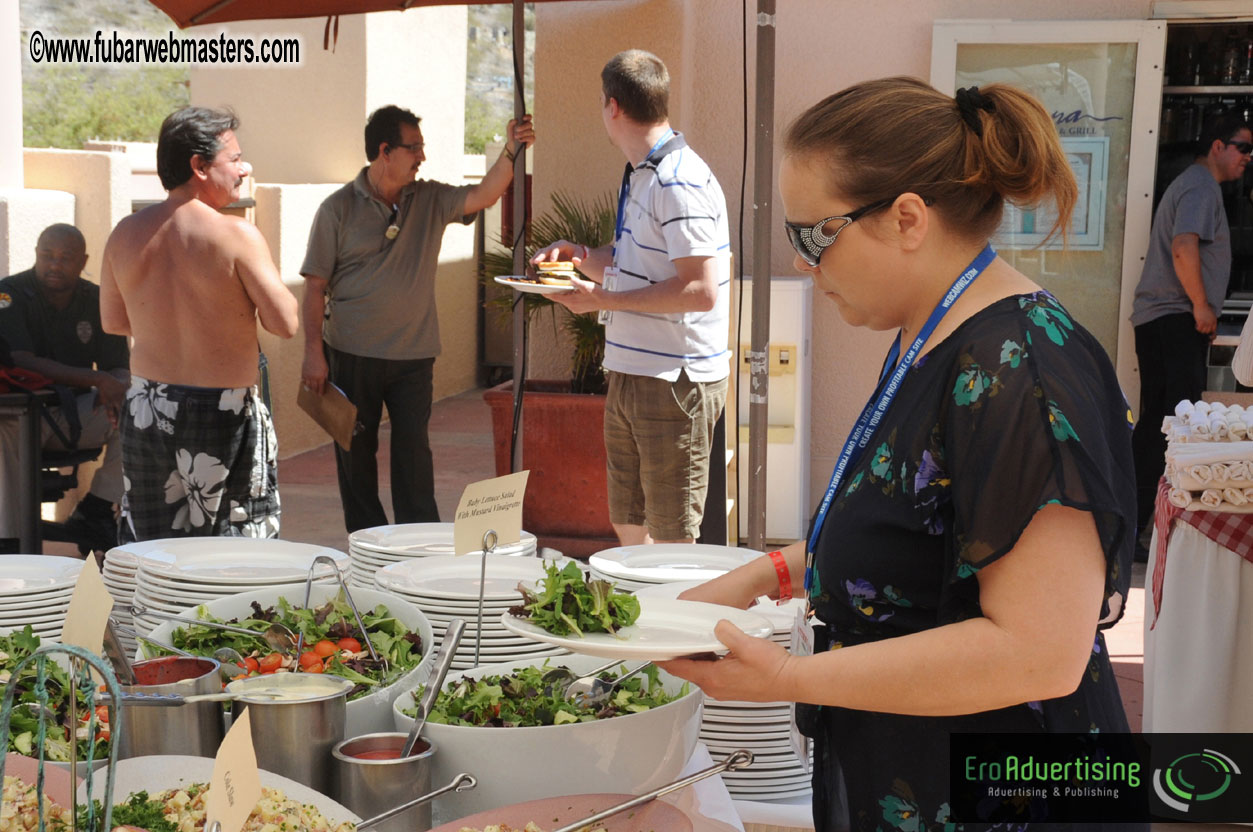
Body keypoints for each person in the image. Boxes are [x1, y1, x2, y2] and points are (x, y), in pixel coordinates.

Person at [657, 78, 1140, 832]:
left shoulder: (1018, 371)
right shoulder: (931, 338)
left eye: (812, 236)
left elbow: (1038, 651)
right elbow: (907, 527)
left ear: (907, 218)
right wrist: (747, 582)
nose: (801, 267)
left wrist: (786, 677)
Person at [300, 105, 535, 533]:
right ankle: (369, 545)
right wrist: (313, 354)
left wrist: (512, 150)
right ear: (385, 151)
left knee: (414, 458)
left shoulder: (427, 198)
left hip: (413, 358)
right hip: (350, 356)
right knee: (355, 459)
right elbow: (314, 286)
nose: (422, 157)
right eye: (415, 148)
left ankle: (419, 545)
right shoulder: (336, 209)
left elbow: (483, 194)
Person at [531, 49, 731, 546]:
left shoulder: (677, 179)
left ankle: (674, 622)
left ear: (613, 106)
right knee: (629, 524)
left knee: (672, 537)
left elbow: (700, 291)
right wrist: (578, 256)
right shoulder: (644, 171)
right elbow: (635, 266)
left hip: (674, 381)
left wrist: (602, 301)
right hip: (634, 372)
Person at [100, 106, 299, 542]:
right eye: (235, 159)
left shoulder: (125, 234)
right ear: (199, 166)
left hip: (149, 407)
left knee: (153, 548)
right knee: (234, 551)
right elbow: (285, 323)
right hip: (223, 411)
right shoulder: (236, 236)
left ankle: (157, 613)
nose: (244, 169)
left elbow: (114, 321)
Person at [1129, 114, 1251, 557]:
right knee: (1175, 426)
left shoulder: (1193, 184)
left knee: (1156, 426)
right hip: (1176, 318)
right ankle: (1147, 528)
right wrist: (1200, 305)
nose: (1248, 158)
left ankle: (1131, 527)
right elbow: (1184, 246)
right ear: (1217, 146)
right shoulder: (1201, 185)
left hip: (1163, 318)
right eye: (1243, 148)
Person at [0, 223, 129, 553]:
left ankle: (97, 510)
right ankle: (11, 541)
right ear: (36, 255)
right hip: (18, 418)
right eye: (47, 256)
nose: (55, 264)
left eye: (65, 257)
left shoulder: (97, 298)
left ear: (83, 260)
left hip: (74, 416)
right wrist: (97, 379)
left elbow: (119, 366)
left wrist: (113, 384)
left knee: (141, 404)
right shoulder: (8, 293)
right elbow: (21, 360)